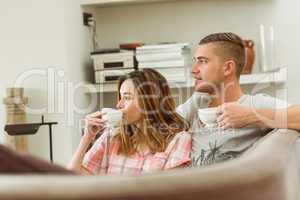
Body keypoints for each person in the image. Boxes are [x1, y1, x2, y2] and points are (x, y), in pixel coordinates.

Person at [176, 32, 300, 166]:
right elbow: (155, 130)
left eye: (202, 61)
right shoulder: (196, 105)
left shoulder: (254, 104)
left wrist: (250, 115)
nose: (193, 70)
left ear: (228, 68)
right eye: (195, 61)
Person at [69, 68, 192, 175]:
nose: (119, 104)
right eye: (120, 97)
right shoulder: (111, 137)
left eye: (127, 98)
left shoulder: (178, 140)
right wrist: (87, 137)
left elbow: (173, 193)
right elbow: (72, 182)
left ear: (150, 102)